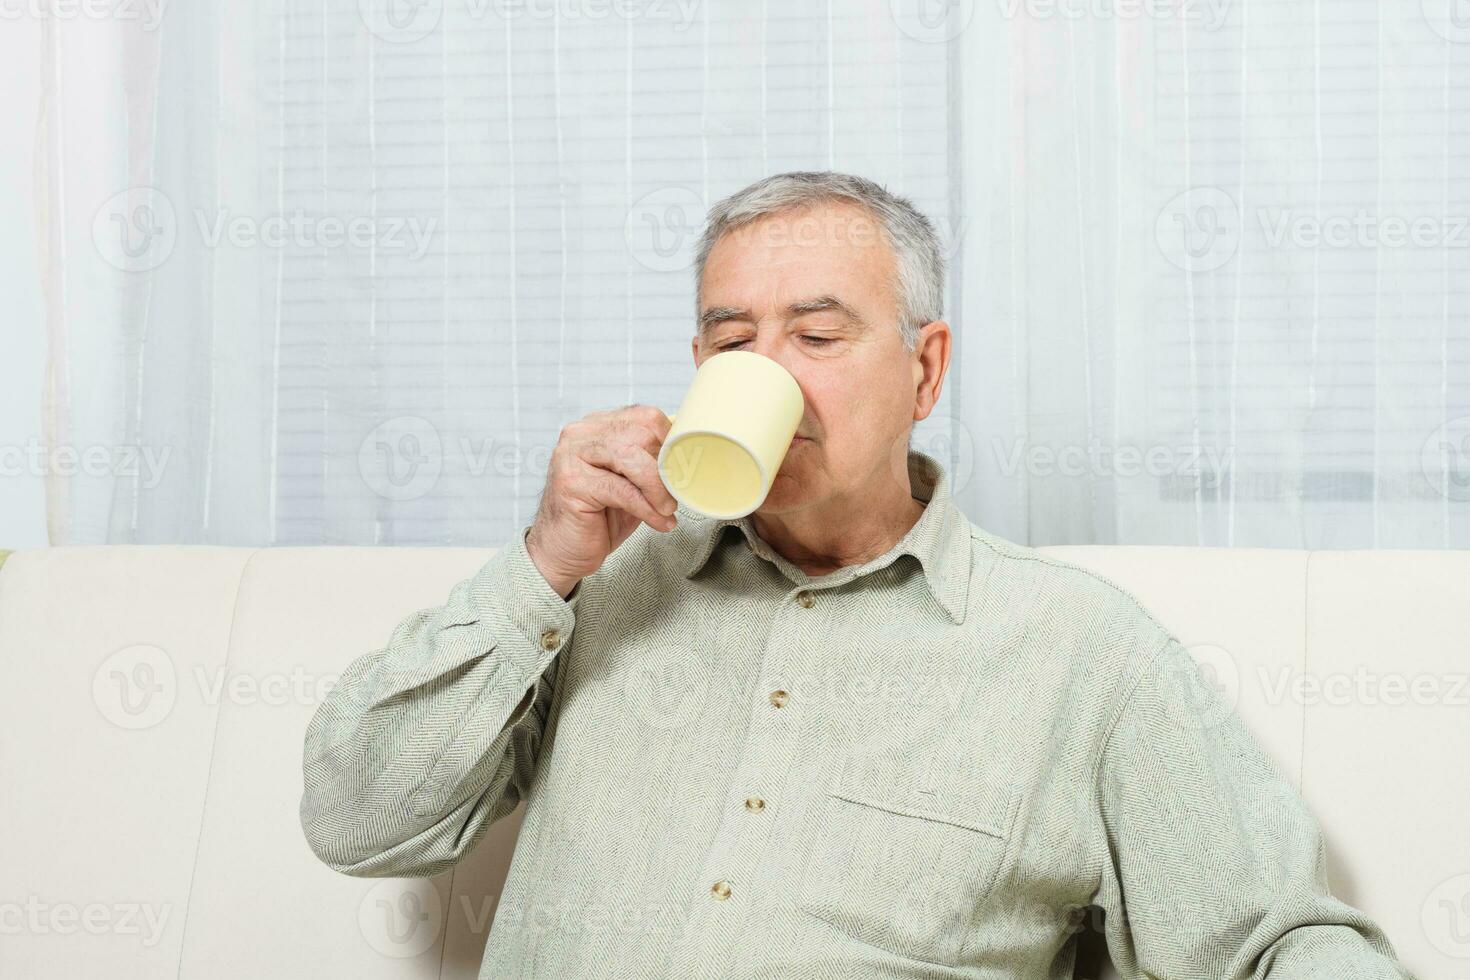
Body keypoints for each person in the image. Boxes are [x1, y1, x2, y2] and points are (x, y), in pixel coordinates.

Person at [299, 171, 1415, 979]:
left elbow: (1273, 939)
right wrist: (544, 566)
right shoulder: (602, 584)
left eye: (817, 338)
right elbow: (357, 820)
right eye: (732, 341)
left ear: (924, 369)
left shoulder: (1079, 648)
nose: (766, 373)